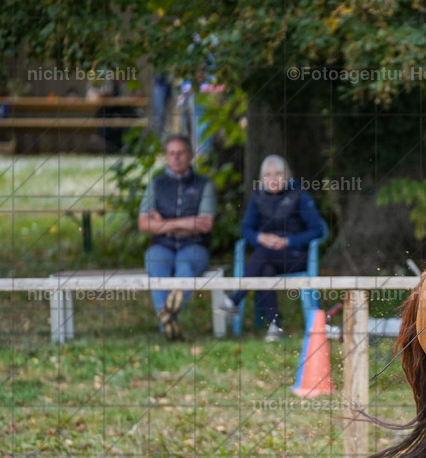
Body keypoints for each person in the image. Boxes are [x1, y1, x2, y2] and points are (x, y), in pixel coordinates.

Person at [216, 155, 326, 342]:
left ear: (288, 176)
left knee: (263, 253)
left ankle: (235, 299)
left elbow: (318, 230)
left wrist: (288, 241)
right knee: (265, 267)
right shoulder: (257, 197)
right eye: (268, 175)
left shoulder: (299, 195)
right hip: (268, 258)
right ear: (261, 178)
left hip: (296, 256)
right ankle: (275, 326)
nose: (273, 179)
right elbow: (246, 229)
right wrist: (260, 237)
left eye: (278, 174)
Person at [138, 135, 217, 340]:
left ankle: (165, 319)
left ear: (190, 155)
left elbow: (205, 225)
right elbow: (143, 224)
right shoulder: (156, 184)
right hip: (162, 246)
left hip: (194, 246)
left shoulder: (204, 184)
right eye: (171, 153)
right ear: (166, 157)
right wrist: (185, 223)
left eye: (180, 153)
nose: (176, 158)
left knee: (185, 267)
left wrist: (162, 224)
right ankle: (168, 322)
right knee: (156, 263)